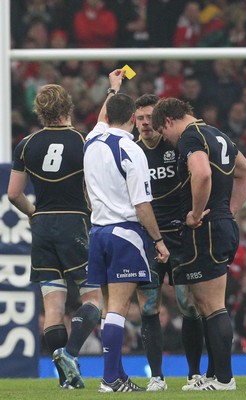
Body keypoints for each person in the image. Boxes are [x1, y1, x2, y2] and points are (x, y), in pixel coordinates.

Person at [152, 97, 246, 390]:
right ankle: (212, 376)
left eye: (164, 132)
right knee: (206, 303)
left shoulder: (189, 137)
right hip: (223, 224)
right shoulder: (218, 135)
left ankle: (224, 379)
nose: (168, 141)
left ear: (169, 121)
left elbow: (202, 173)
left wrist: (196, 214)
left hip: (206, 227)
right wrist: (230, 209)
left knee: (211, 306)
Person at [7, 84, 102, 389]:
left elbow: (13, 194)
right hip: (75, 223)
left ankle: (67, 381)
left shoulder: (25, 145)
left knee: (53, 308)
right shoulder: (82, 142)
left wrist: (32, 211)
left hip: (43, 227)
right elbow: (91, 190)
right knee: (92, 298)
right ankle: (71, 354)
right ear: (67, 108)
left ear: (40, 110)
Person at [83, 69, 169, 393]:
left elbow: (105, 115)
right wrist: (158, 241)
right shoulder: (132, 150)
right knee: (119, 308)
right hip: (125, 233)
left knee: (109, 310)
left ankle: (116, 376)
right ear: (134, 117)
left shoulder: (92, 139)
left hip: (98, 233)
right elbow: (142, 204)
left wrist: (113, 87)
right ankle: (108, 380)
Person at [135, 94, 204, 391]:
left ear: (161, 119)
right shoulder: (131, 151)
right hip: (147, 238)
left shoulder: (176, 145)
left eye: (150, 117)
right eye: (140, 118)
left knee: (189, 305)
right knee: (149, 307)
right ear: (134, 120)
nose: (146, 123)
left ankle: (194, 374)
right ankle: (157, 378)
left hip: (180, 235)